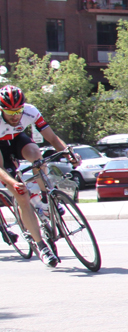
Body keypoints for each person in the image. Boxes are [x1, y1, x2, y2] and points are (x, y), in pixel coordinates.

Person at [0, 84, 80, 267]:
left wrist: (69, 153)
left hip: (16, 140)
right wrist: (13, 183)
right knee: (21, 195)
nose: (15, 116)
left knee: (37, 156)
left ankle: (45, 199)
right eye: (10, 113)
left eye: (18, 111)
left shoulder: (30, 111)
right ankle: (41, 245)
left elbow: (52, 138)